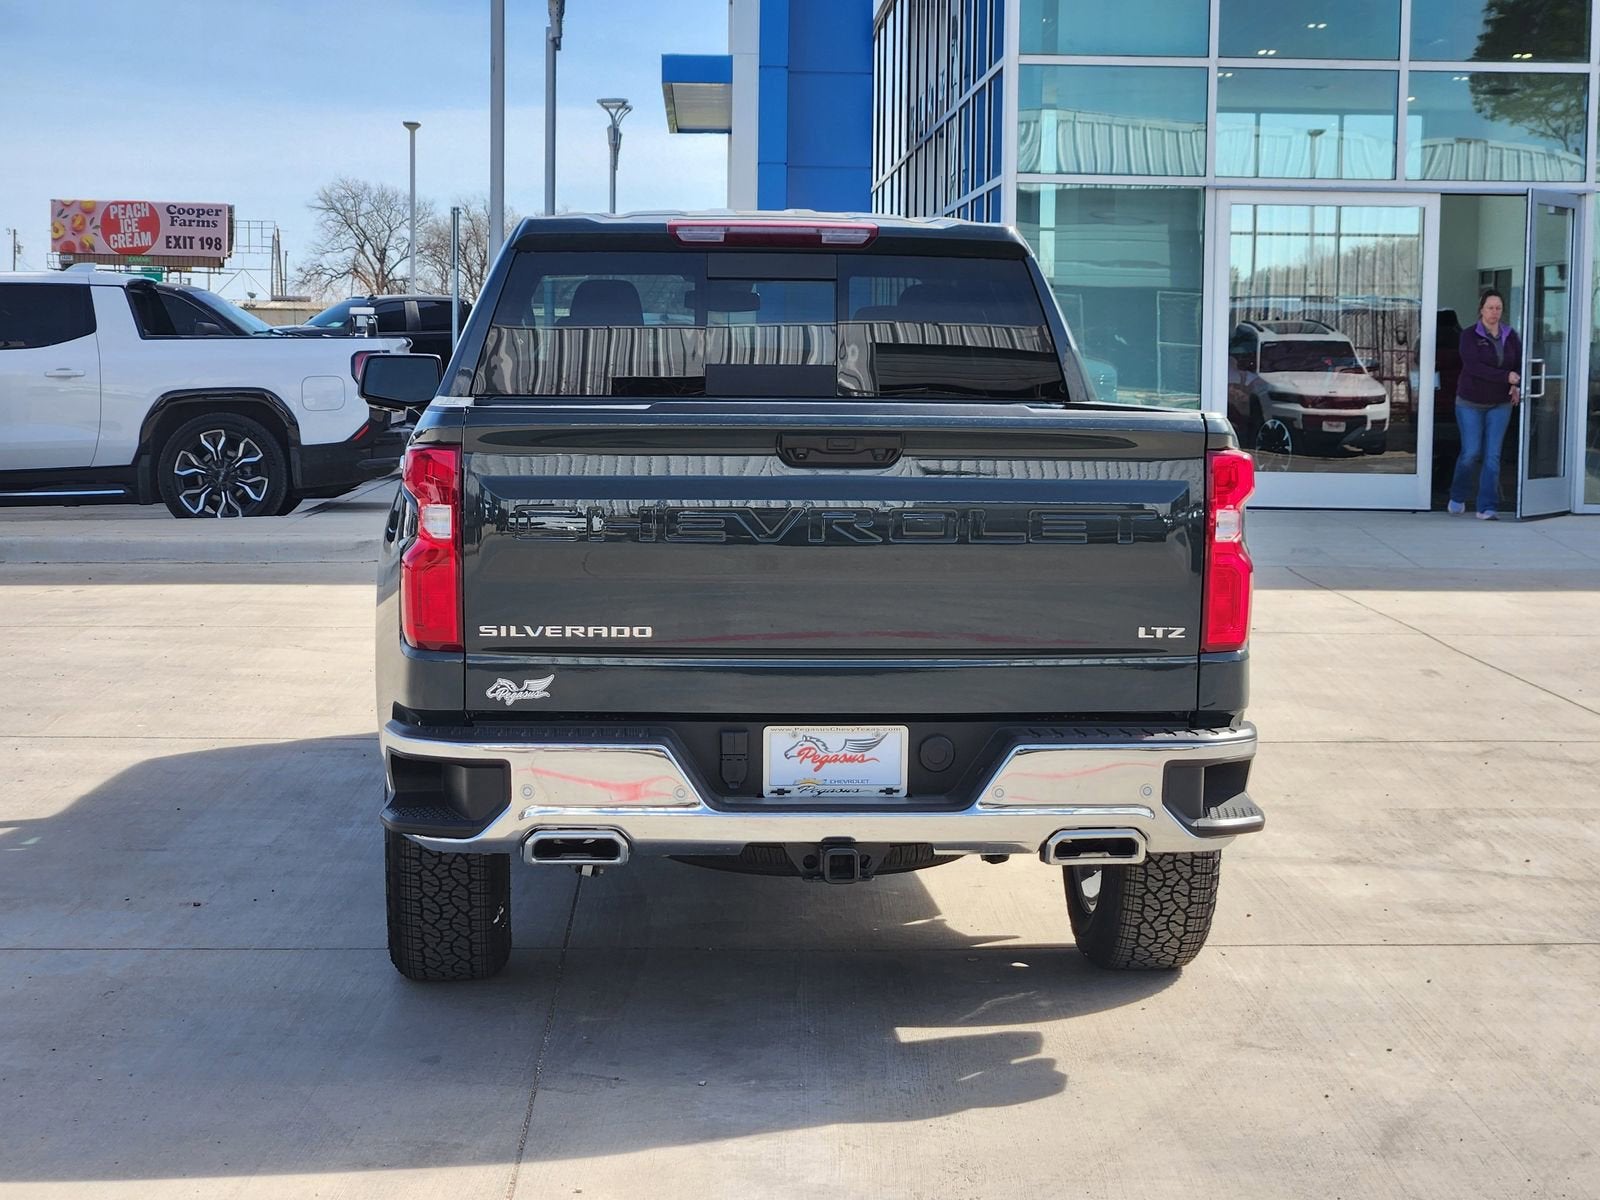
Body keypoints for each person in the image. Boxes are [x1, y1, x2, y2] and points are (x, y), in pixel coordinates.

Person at [1449, 289, 1521, 520]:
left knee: (1492, 456)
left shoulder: (1510, 335)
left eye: (1498, 308)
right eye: (1490, 307)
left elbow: (1519, 363)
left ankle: (1486, 507)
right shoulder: (1469, 335)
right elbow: (1473, 367)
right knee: (1471, 453)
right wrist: (1506, 377)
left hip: (1500, 403)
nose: (1494, 312)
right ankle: (1458, 496)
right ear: (1481, 309)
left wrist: (1516, 383)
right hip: (1470, 402)